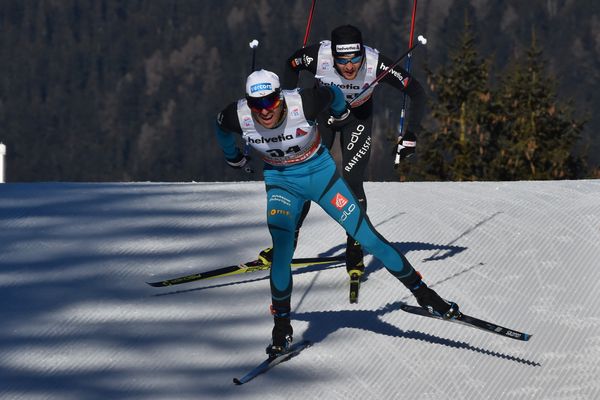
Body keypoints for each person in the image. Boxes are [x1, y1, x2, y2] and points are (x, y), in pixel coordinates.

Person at [215, 69, 458, 356]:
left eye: (269, 102)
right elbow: (220, 128)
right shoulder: (237, 116)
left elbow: (335, 94)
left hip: (322, 177)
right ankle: (282, 328)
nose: (264, 111)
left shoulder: (304, 103)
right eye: (257, 104)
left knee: (368, 238)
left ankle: (425, 295)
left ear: (280, 97)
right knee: (282, 250)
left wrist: (341, 114)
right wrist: (234, 156)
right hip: (282, 184)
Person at [280, 24, 427, 290]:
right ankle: (288, 240)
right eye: (342, 60)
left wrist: (411, 134)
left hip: (357, 118)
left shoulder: (376, 63)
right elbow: (292, 64)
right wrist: (290, 100)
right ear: (333, 56)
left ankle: (355, 245)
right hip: (323, 115)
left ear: (363, 53)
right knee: (306, 179)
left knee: (352, 180)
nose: (349, 67)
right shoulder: (316, 57)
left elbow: (415, 91)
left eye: (355, 59)